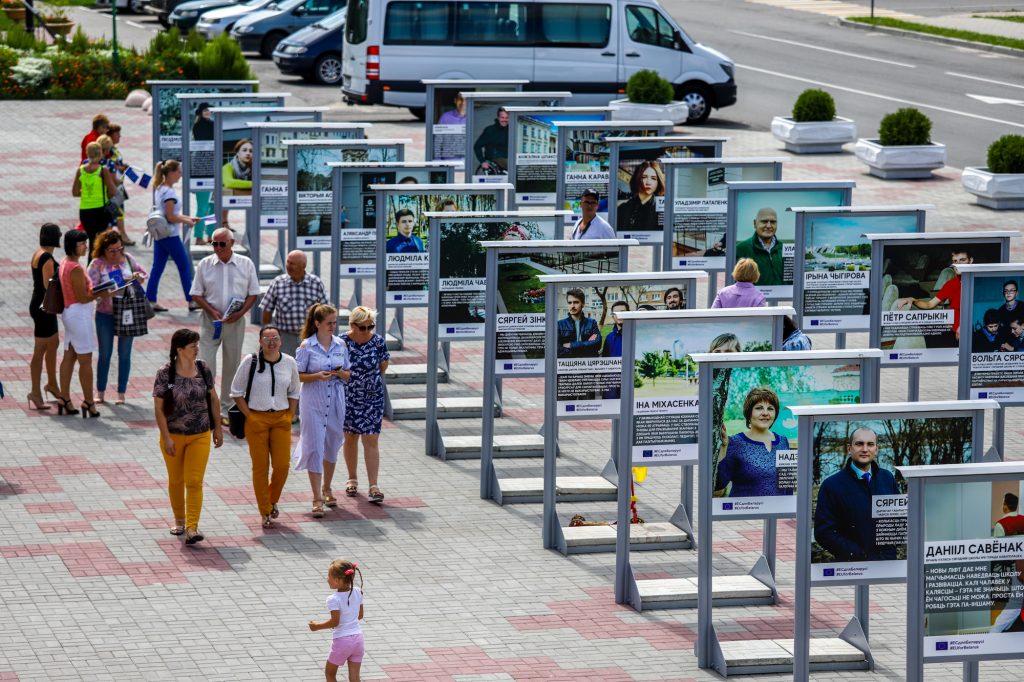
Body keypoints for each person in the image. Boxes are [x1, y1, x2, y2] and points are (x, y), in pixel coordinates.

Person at [153, 328, 224, 545]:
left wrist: (218, 428)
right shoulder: (166, 373)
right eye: (192, 346)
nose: (196, 349)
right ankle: (180, 520)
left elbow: (213, 398)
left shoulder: (203, 368)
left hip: (200, 434)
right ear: (179, 349)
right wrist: (166, 437)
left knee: (194, 481)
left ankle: (192, 527)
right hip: (173, 436)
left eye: (197, 345)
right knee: (176, 480)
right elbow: (158, 408)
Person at [230, 325, 300, 528]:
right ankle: (265, 511)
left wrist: (289, 415)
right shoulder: (250, 361)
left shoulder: (289, 362)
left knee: (282, 465)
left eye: (275, 338)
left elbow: (295, 391)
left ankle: (272, 499)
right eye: (267, 338)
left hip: (281, 419)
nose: (271, 342)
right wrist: (250, 416)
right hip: (256, 419)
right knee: (260, 468)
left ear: (281, 341)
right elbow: (235, 391)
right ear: (260, 341)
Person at [190, 227, 261, 421]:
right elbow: (196, 293)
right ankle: (206, 406)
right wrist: (211, 310)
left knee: (232, 365)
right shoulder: (205, 264)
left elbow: (253, 293)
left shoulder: (245, 264)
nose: (218, 247)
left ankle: (226, 408)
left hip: (234, 322)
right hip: (210, 321)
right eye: (214, 243)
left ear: (232, 243)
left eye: (222, 244)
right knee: (205, 364)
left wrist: (240, 313)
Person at [294, 304, 352, 517]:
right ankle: (316, 497)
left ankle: (327, 488)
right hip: (313, 401)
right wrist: (317, 375)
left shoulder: (340, 344)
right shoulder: (306, 346)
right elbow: (297, 375)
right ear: (317, 323)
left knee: (333, 442)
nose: (333, 326)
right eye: (329, 323)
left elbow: (348, 372)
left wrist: (341, 374)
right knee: (315, 446)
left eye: (335, 322)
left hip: (336, 399)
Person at [813, 426, 899, 562]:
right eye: (859, 444)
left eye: (870, 444)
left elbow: (899, 519)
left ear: (876, 449)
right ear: (849, 449)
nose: (865, 449)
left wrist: (893, 546)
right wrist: (856, 553)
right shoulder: (832, 485)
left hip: (887, 562)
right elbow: (823, 532)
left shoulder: (887, 478)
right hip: (852, 567)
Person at [87, 230, 148, 405]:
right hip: (105, 313)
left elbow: (143, 273)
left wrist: (139, 277)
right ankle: (100, 391)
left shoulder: (127, 258)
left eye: (119, 249)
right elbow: (90, 287)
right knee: (105, 354)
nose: (117, 254)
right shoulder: (97, 264)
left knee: (125, 354)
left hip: (127, 312)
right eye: (112, 251)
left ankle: (121, 393)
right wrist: (103, 292)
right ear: (103, 250)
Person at [57, 230, 112, 418]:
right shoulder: (76, 268)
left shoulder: (65, 263)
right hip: (79, 315)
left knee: (69, 355)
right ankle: (88, 401)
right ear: (73, 246)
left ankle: (64, 398)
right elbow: (83, 297)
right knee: (85, 360)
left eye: (85, 243)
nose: (85, 246)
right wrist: (101, 293)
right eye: (82, 244)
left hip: (69, 312)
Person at [342, 307, 390, 505]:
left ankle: (373, 485)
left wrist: (367, 382)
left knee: (371, 439)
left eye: (371, 326)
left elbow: (383, 366)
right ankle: (352, 478)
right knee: (350, 437)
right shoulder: (342, 342)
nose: (368, 330)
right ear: (353, 325)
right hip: (348, 396)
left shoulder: (377, 341)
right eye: (363, 327)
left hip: (372, 397)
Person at [714, 387, 791, 497]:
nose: (765, 413)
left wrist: (789, 511)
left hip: (776, 513)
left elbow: (787, 485)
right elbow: (719, 485)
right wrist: (724, 447)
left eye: (770, 409)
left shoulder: (783, 442)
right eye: (759, 408)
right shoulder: (735, 442)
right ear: (749, 412)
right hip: (744, 512)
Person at [147, 160, 199, 313]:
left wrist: (187, 218)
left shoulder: (160, 188)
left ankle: (150, 300)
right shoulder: (169, 193)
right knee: (184, 266)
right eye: (179, 171)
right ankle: (191, 301)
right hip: (171, 235)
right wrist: (187, 220)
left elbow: (169, 214)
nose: (181, 174)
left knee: (157, 267)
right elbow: (170, 216)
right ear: (171, 173)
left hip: (160, 234)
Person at [261, 250, 330, 357]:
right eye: (288, 262)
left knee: (308, 370)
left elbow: (326, 312)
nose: (289, 266)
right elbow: (267, 309)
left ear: (303, 266)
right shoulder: (278, 282)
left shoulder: (316, 283)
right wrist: (266, 336)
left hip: (310, 337)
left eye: (292, 264)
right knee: (285, 370)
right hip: (285, 337)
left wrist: (324, 336)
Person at [895, 249, 973, 342]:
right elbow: (930, 304)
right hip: (953, 333)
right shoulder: (951, 284)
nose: (958, 264)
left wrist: (964, 327)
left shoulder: (978, 282)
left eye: (962, 260)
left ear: (970, 260)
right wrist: (913, 300)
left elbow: (979, 309)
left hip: (971, 331)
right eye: (955, 261)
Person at [308, 559, 365, 682]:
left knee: (330, 673)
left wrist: (316, 626)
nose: (327, 579)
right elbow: (359, 615)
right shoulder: (358, 591)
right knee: (355, 678)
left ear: (338, 580)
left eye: (329, 576)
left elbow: (335, 622)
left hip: (343, 641)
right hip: (358, 640)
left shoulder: (333, 599)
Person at [28, 223, 64, 411]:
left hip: (40, 305)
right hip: (44, 308)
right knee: (40, 349)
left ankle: (52, 384)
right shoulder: (47, 258)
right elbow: (48, 285)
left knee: (53, 344)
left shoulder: (38, 253)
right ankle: (35, 391)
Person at [73, 141, 119, 257]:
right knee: (100, 243)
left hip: (85, 211)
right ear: (100, 154)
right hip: (100, 210)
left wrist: (88, 193)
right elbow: (113, 191)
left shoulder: (81, 170)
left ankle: (91, 267)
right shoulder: (102, 170)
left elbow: (75, 192)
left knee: (92, 240)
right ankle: (98, 269)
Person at [103, 125, 135, 246]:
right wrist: (120, 167)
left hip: (119, 183)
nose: (120, 136)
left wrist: (122, 166)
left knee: (120, 211)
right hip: (114, 184)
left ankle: (121, 235)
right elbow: (107, 164)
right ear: (111, 135)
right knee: (118, 211)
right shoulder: (108, 150)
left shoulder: (114, 149)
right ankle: (122, 236)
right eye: (117, 134)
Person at [734, 207, 784, 287]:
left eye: (773, 222)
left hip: (781, 299)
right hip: (753, 299)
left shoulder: (784, 249)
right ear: (755, 223)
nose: (768, 225)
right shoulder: (740, 249)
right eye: (764, 221)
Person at [616, 161, 664, 233]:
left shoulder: (662, 210)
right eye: (644, 177)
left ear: (658, 182)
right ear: (637, 179)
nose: (648, 182)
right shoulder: (623, 208)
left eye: (653, 178)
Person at [191, 104, 215, 244]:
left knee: (211, 206)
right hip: (203, 172)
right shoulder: (201, 126)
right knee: (203, 207)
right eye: (206, 110)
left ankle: (210, 235)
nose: (208, 112)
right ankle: (199, 236)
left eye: (209, 110)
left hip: (211, 171)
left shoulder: (208, 125)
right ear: (200, 112)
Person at [557, 288, 601, 358]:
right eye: (569, 303)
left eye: (576, 302)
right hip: (568, 366)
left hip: (588, 365)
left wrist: (571, 345)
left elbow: (597, 344)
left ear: (583, 304)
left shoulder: (592, 323)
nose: (572, 306)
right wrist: (586, 346)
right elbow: (557, 350)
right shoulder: (560, 324)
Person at [221, 138, 253, 230]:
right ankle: (207, 234)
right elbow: (229, 182)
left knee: (226, 206)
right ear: (237, 153)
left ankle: (224, 223)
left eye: (251, 151)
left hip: (227, 196)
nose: (248, 153)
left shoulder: (252, 167)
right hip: (215, 194)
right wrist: (254, 183)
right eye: (244, 150)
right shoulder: (228, 167)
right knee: (210, 211)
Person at [473, 106, 509, 173]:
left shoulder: (512, 129)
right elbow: (477, 146)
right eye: (502, 117)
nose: (504, 120)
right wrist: (482, 161)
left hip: (509, 159)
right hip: (494, 160)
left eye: (507, 118)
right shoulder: (490, 130)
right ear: (498, 118)